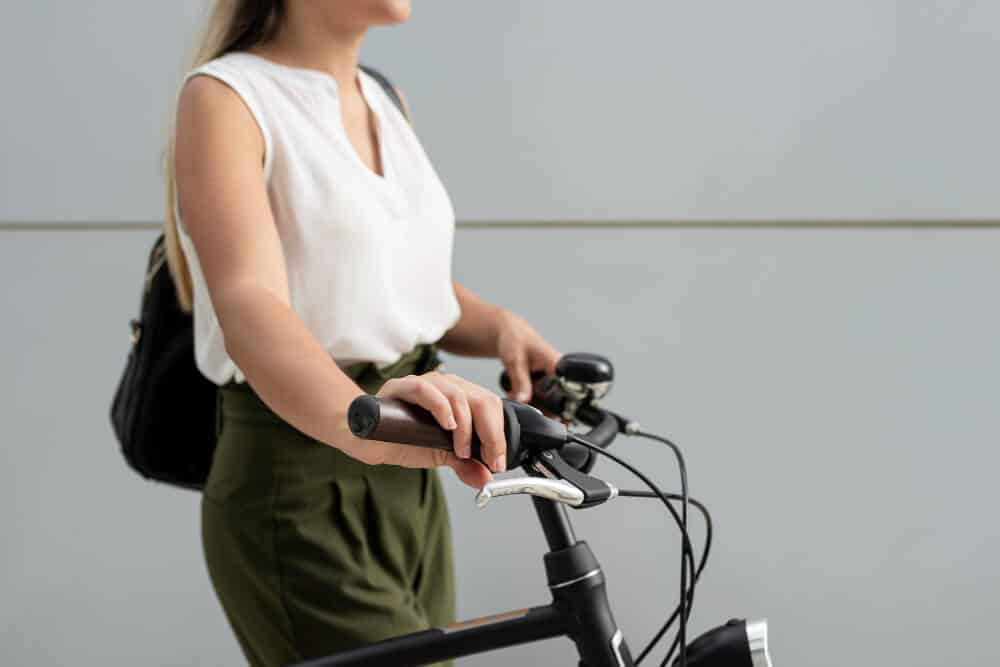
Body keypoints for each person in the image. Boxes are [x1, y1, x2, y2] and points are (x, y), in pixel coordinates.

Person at [165, 1, 560, 665]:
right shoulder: (228, 98)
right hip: (301, 479)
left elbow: (386, 283)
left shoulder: (384, 97)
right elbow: (250, 302)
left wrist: (499, 328)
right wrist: (365, 427)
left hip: (408, 468)